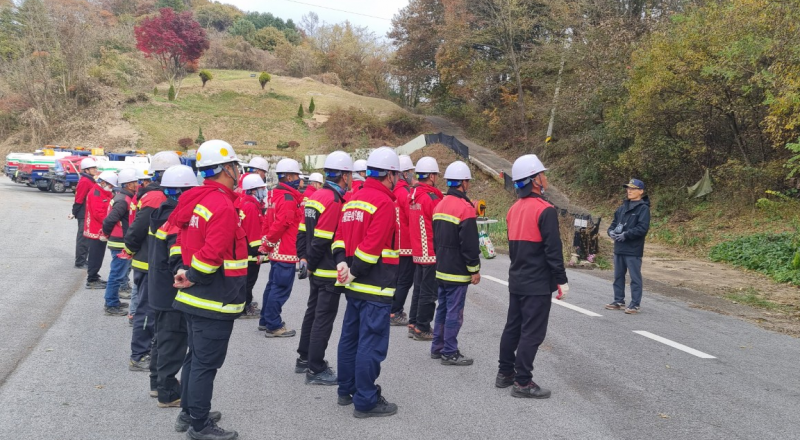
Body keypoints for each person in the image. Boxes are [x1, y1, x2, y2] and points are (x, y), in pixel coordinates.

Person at [171, 140, 246, 440]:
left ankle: (189, 412)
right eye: (236, 166)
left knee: (194, 358)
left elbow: (182, 240)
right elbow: (213, 253)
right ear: (226, 168)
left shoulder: (196, 200)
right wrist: (192, 275)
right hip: (213, 298)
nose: (239, 171)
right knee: (205, 364)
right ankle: (199, 425)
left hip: (194, 297)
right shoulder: (222, 204)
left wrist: (183, 271)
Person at [334, 146, 400, 418]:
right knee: (370, 344)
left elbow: (339, 236)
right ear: (390, 175)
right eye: (397, 174)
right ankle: (365, 400)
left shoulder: (352, 200)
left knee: (349, 339)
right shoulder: (384, 202)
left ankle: (345, 390)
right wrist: (355, 270)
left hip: (354, 286)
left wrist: (342, 263)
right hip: (375, 284)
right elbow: (372, 247)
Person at [497, 154, 568, 398]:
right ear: (535, 180)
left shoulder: (513, 209)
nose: (545, 177)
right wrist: (561, 279)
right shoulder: (545, 210)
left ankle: (505, 373)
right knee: (532, 332)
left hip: (516, 278)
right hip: (537, 282)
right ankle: (523, 382)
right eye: (543, 174)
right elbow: (553, 250)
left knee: (513, 328)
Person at [295, 151, 353, 385]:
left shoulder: (315, 196)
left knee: (312, 312)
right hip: (327, 269)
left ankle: (304, 358)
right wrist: (311, 262)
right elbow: (321, 239)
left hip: (315, 267)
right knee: (323, 319)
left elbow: (302, 231)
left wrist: (303, 258)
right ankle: (316, 368)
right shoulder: (334, 200)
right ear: (345, 176)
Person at [121, 151, 182, 371]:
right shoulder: (157, 196)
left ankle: (147, 350)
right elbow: (138, 227)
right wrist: (130, 248)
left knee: (150, 308)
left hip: (149, 259)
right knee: (147, 310)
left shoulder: (154, 193)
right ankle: (139, 355)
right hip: (148, 261)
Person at [147, 165, 197, 408]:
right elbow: (176, 254)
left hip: (158, 289)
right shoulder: (176, 218)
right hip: (171, 291)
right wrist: (184, 272)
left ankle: (157, 384)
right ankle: (168, 393)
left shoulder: (160, 212)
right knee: (173, 342)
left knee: (161, 339)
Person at [430, 161, 481, 366]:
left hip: (441, 267)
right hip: (458, 271)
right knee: (454, 311)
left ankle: (437, 347)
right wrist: (474, 269)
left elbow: (435, 238)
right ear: (463, 183)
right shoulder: (465, 208)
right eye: (467, 181)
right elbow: (469, 245)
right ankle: (450, 352)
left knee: (442, 308)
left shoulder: (439, 204)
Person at [259, 158, 303, 337]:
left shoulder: (274, 194)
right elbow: (282, 223)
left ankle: (265, 320)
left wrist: (267, 244)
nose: (299, 180)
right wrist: (268, 243)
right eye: (297, 176)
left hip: (277, 250)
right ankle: (274, 325)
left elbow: (269, 222)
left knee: (272, 286)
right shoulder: (288, 198)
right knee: (280, 288)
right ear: (291, 176)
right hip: (285, 249)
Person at [407, 157, 443, 340]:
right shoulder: (432, 198)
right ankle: (422, 326)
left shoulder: (413, 195)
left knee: (419, 289)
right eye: (435, 174)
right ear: (431, 176)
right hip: (430, 249)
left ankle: (413, 323)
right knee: (429, 292)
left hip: (418, 250)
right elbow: (439, 223)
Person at [605, 178, 651, 314]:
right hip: (619, 248)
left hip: (633, 249)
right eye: (628, 188)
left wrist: (626, 235)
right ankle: (618, 300)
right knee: (618, 276)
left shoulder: (643, 209)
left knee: (635, 278)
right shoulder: (622, 207)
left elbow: (642, 228)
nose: (629, 191)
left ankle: (635, 304)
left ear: (640, 191)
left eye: (633, 189)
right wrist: (611, 232)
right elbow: (613, 224)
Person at [100, 168, 138, 316]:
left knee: (119, 274)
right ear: (128, 184)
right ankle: (110, 304)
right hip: (120, 242)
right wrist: (107, 233)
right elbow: (109, 220)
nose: (137, 184)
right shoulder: (123, 200)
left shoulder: (121, 197)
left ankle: (113, 300)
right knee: (116, 274)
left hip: (120, 240)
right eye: (135, 182)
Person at [389, 155, 415, 326]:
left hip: (393, 243)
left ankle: (392, 308)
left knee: (396, 279)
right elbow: (412, 217)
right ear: (404, 174)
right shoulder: (405, 193)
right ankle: (395, 311)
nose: (413, 175)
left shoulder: (392, 191)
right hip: (406, 243)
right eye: (411, 172)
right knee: (405, 280)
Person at [237, 174, 267, 318]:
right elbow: (254, 232)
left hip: (246, 250)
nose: (264, 191)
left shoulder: (246, 203)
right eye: (262, 188)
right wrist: (258, 252)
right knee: (249, 281)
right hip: (250, 253)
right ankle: (245, 307)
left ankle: (245, 304)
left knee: (246, 280)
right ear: (253, 190)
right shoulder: (251, 207)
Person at [84, 170, 117, 290]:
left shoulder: (102, 192)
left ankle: (94, 276)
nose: (111, 188)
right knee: (95, 255)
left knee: (98, 254)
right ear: (103, 182)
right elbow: (99, 214)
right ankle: (91, 279)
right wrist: (112, 222)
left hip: (100, 229)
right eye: (110, 185)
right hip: (96, 230)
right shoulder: (96, 194)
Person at [70, 158, 98, 269]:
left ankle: (83, 259)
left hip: (88, 213)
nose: (95, 170)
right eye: (93, 168)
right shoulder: (85, 181)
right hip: (83, 213)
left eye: (95, 168)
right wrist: (74, 212)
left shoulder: (90, 180)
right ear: (86, 170)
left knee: (87, 237)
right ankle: (80, 261)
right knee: (83, 238)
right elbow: (79, 198)